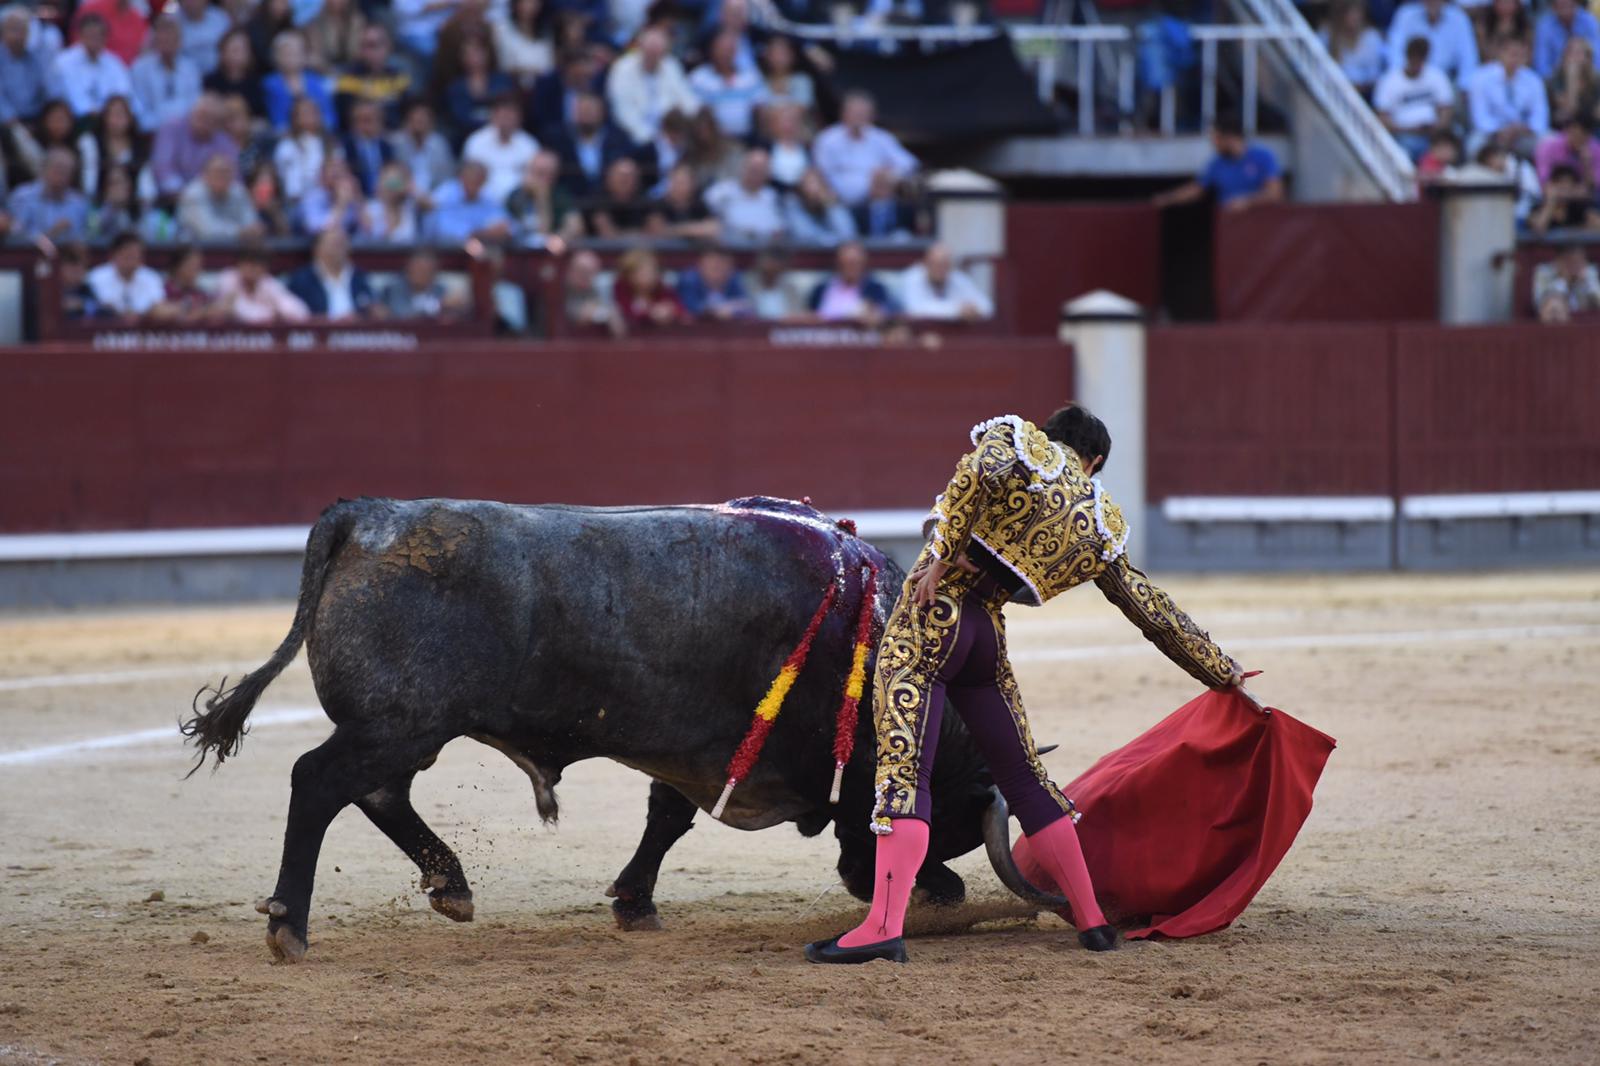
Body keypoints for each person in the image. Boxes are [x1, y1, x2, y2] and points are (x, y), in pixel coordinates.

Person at [804, 404, 1246, 964]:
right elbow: (1150, 609)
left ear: (1054, 436)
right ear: (1097, 461)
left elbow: (975, 473)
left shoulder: (1022, 443)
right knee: (1027, 778)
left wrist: (939, 556)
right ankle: (1091, 921)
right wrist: (1219, 669)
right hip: (985, 636)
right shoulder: (1099, 520)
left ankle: (883, 928)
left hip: (928, 619)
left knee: (906, 770)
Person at [1151, 114, 1285, 211]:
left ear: (1229, 138)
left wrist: (1247, 202)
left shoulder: (1263, 156)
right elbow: (1197, 189)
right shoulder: (1216, 163)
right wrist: (1167, 199)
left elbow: (1275, 193)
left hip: (1260, 226)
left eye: (1216, 139)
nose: (1213, 144)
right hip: (1229, 228)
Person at [812, 91, 917, 207]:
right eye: (855, 113)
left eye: (862, 113)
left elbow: (909, 163)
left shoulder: (881, 138)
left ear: (871, 116)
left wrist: (889, 174)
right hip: (838, 203)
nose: (858, 118)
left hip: (875, 202)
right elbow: (820, 172)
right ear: (844, 113)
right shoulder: (828, 139)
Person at [605, 26, 700, 146]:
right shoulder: (622, 68)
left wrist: (696, 117)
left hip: (671, 131)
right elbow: (623, 112)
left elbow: (687, 98)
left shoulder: (671, 65)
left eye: (658, 53)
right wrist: (652, 138)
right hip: (635, 136)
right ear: (641, 48)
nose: (653, 56)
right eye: (650, 52)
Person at [1374, 36, 1457, 160]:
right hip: (1403, 134)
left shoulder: (1436, 76)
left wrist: (1438, 128)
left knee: (1452, 140)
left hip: (1433, 133)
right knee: (1407, 148)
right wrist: (1410, 129)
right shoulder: (1390, 80)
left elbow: (1446, 108)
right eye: (1414, 57)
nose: (1417, 61)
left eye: (1421, 57)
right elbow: (1383, 118)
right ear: (1407, 56)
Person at [1467, 35, 1550, 156]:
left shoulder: (1534, 80)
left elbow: (1540, 116)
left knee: (1548, 142)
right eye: (1512, 54)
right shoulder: (1481, 78)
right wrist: (1499, 131)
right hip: (1492, 134)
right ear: (1500, 53)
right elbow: (1480, 116)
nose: (1516, 59)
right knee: (1474, 144)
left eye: (1521, 55)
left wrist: (1524, 129)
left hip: (1523, 134)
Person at [547, 91, 634, 198]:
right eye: (582, 110)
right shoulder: (557, 140)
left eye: (590, 110)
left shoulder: (619, 139)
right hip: (570, 201)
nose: (586, 115)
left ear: (602, 112)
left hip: (608, 205)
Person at [151, 94, 237, 199]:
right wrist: (187, 193)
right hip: (173, 198)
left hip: (215, 198)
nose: (204, 121)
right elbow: (163, 169)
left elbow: (235, 178)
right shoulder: (172, 129)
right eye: (201, 115)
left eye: (210, 118)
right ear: (192, 113)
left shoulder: (224, 142)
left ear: (218, 123)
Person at [689, 29, 768, 140]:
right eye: (722, 49)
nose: (726, 53)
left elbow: (760, 107)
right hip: (714, 141)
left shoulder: (751, 76)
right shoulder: (699, 78)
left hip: (746, 138)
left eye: (730, 49)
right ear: (712, 49)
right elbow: (698, 113)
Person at [130, 15, 202, 133]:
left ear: (179, 41)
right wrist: (162, 126)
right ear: (155, 40)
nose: (167, 41)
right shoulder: (140, 69)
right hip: (152, 131)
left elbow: (195, 103)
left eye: (171, 37)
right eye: (163, 37)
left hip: (187, 132)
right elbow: (139, 107)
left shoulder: (190, 68)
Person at [51, 13, 132, 118]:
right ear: (80, 35)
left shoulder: (115, 64)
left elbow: (123, 94)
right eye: (90, 35)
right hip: (73, 120)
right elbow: (58, 98)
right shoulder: (63, 63)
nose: (94, 40)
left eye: (98, 35)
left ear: (106, 37)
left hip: (107, 122)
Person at [287, 227, 378, 319]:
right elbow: (296, 316)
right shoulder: (302, 280)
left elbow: (373, 307)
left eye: (342, 243)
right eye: (334, 244)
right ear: (317, 249)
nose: (339, 249)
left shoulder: (359, 275)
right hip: (320, 332)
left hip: (359, 332)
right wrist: (336, 321)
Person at [463, 93, 540, 202]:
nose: (506, 120)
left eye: (511, 115)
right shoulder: (476, 142)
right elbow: (469, 177)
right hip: (483, 199)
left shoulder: (529, 144)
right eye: (503, 115)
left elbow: (533, 179)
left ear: (519, 118)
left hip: (519, 201)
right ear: (493, 116)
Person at [332, 24, 411, 129]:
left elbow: (407, 115)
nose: (368, 51)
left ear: (388, 47)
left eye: (373, 45)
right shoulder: (348, 79)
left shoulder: (399, 78)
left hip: (393, 136)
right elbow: (345, 119)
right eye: (364, 46)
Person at [1385, 0, 1479, 86]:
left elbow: (1468, 59)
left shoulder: (1459, 18)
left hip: (1448, 81)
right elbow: (1395, 54)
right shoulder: (1405, 15)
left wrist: (1465, 86)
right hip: (1412, 79)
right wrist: (1403, 81)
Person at [262, 30, 337, 134]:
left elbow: (330, 118)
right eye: (287, 53)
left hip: (319, 136)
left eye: (296, 52)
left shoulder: (317, 82)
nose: (291, 57)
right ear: (276, 56)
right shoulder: (269, 84)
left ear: (304, 55)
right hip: (285, 138)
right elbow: (275, 120)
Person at [704, 147, 785, 243]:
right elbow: (706, 220)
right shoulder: (720, 193)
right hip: (730, 250)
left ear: (768, 173)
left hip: (764, 251)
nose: (755, 175)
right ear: (743, 167)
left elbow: (779, 230)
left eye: (760, 170)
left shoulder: (773, 197)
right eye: (753, 169)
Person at [7, 147, 89, 240]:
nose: (61, 176)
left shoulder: (79, 203)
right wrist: (51, 234)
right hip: (30, 253)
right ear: (44, 169)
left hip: (67, 254)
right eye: (58, 169)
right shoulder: (22, 197)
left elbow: (86, 238)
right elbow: (14, 236)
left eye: (66, 171)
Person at [214, 243, 309, 323]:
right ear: (239, 264)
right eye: (249, 262)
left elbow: (301, 312)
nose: (254, 268)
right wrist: (272, 312)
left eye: (259, 264)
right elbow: (241, 311)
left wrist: (279, 310)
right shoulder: (227, 279)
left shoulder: (268, 283)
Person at [424, 158, 512, 245]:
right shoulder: (446, 193)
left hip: (482, 248)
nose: (474, 185)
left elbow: (505, 226)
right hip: (446, 250)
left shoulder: (489, 196)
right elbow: (444, 232)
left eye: (478, 181)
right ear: (461, 178)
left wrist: (499, 230)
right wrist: (479, 234)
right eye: (471, 180)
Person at [807, 239, 895, 324]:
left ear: (864, 263)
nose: (851, 268)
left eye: (855, 263)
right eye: (847, 263)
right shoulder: (821, 289)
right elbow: (809, 317)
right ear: (838, 262)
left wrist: (874, 315)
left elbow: (886, 318)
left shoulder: (875, 290)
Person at [177, 153, 262, 240]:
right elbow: (207, 230)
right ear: (205, 175)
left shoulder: (238, 191)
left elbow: (252, 224)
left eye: (226, 172)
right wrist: (240, 232)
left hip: (236, 247)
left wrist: (251, 230)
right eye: (218, 172)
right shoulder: (193, 193)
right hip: (197, 248)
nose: (222, 176)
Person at [900, 243, 992, 320]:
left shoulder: (957, 277)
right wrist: (957, 310)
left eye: (945, 265)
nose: (940, 269)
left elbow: (987, 306)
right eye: (935, 264)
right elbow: (915, 310)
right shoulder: (913, 277)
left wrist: (974, 310)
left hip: (956, 335)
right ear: (925, 263)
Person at [444, 33, 512, 137]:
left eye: (478, 51)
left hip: (503, 134)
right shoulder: (455, 88)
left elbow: (509, 109)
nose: (474, 57)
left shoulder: (502, 81)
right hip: (467, 137)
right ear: (461, 58)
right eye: (468, 53)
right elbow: (460, 118)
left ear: (487, 53)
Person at [77, 94, 144, 200]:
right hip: (97, 201)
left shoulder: (140, 145)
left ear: (130, 118)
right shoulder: (90, 142)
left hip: (132, 204)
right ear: (104, 117)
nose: (117, 120)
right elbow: (89, 177)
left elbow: (144, 179)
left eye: (121, 114)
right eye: (112, 114)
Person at [85, 230, 164, 319]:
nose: (132, 260)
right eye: (128, 255)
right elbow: (98, 308)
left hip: (144, 330)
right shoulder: (95, 277)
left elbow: (158, 307)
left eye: (136, 255)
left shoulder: (152, 278)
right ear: (113, 255)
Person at [505, 149, 581, 241]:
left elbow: (575, 225)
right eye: (540, 173)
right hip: (520, 249)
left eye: (550, 174)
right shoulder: (517, 196)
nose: (546, 178)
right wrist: (540, 196)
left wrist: (559, 238)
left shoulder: (560, 194)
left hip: (551, 249)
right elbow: (539, 232)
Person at [389, 99, 457, 195]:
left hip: (434, 198)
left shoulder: (440, 145)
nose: (418, 126)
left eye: (422, 122)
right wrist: (407, 189)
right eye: (415, 121)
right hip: (402, 197)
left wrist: (434, 198)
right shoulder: (394, 144)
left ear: (431, 124)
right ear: (407, 123)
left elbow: (448, 180)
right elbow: (388, 181)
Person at [273, 95, 332, 202]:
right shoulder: (287, 146)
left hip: (330, 198)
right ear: (295, 118)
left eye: (314, 111)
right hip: (300, 201)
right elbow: (291, 188)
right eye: (306, 112)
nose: (312, 115)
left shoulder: (330, 143)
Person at [613, 246, 688, 329]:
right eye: (641, 273)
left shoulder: (662, 287)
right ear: (629, 275)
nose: (648, 277)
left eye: (651, 272)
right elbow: (626, 314)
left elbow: (683, 313)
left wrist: (671, 310)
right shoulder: (621, 288)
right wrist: (650, 313)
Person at [0, 5, 51, 126]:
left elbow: (45, 90)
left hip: (34, 118)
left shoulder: (35, 59)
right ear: (2, 33)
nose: (18, 35)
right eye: (13, 29)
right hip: (7, 122)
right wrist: (12, 119)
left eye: (22, 30)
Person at [1321, 0, 1386, 94]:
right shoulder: (1327, 35)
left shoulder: (1371, 36)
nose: (1355, 18)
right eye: (1350, 13)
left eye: (1358, 13)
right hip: (1335, 91)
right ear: (1341, 15)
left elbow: (1374, 73)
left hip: (1365, 92)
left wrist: (1361, 86)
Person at [645, 160, 719, 240]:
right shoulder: (657, 204)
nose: (677, 186)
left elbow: (713, 228)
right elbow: (657, 230)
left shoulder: (698, 204)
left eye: (682, 183)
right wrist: (696, 229)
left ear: (692, 185)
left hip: (693, 251)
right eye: (674, 181)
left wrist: (675, 230)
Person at [783, 166, 854, 246]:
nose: (814, 188)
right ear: (800, 187)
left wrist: (831, 205)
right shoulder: (792, 203)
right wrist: (835, 240)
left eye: (818, 183)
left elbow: (847, 235)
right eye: (809, 183)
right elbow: (806, 237)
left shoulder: (831, 203)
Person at [203, 30, 266, 119]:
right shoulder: (210, 81)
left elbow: (259, 115)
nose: (235, 55)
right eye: (232, 50)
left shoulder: (257, 84)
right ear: (222, 52)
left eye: (240, 50)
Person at [385, 248, 467, 317]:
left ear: (433, 274)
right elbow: (402, 313)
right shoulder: (395, 289)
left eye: (424, 270)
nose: (418, 273)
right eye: (416, 269)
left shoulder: (440, 290)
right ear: (408, 269)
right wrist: (439, 306)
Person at [296, 154, 364, 235]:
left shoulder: (348, 195)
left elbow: (368, 230)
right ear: (322, 175)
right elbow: (316, 228)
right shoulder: (312, 196)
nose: (338, 171)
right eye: (333, 168)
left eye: (342, 169)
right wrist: (341, 204)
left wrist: (358, 198)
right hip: (313, 243)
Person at [585, 155, 651, 237]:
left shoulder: (645, 200)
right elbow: (609, 235)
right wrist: (637, 234)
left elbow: (656, 232)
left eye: (631, 177)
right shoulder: (598, 200)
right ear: (609, 178)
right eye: (621, 177)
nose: (626, 181)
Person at [677, 247, 752, 319]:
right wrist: (716, 311)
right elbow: (690, 308)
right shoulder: (689, 280)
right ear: (701, 265)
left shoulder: (734, 279)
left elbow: (747, 306)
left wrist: (730, 310)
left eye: (722, 265)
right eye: (713, 266)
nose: (718, 269)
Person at [492, 0, 554, 86]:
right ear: (515, 4)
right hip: (512, 89)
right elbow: (503, 67)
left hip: (544, 89)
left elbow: (549, 67)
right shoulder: (502, 29)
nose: (530, 6)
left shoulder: (547, 33)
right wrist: (532, 71)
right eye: (525, 2)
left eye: (534, 2)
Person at [341, 99, 394, 197]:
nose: (366, 126)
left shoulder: (387, 146)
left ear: (380, 121)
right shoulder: (345, 146)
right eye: (362, 120)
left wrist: (388, 186)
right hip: (356, 200)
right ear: (353, 123)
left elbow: (397, 179)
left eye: (370, 120)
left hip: (385, 198)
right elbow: (342, 178)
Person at [1533, 0, 1600, 80]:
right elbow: (1541, 64)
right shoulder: (1544, 26)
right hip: (1557, 78)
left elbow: (1597, 55)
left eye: (1568, 3)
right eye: (1561, 4)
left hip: (1588, 77)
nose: (1565, 7)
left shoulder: (1589, 21)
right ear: (1553, 7)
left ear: (1576, 3)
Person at [562, 247, 622, 335]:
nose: (586, 276)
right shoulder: (559, 292)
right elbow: (579, 318)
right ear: (570, 271)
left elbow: (619, 331)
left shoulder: (602, 290)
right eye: (582, 271)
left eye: (591, 272)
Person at [1534, 242, 1600, 320]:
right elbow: (1540, 306)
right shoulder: (1544, 273)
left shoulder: (1589, 272)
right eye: (1571, 262)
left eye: (1579, 261)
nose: (1575, 266)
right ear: (1559, 261)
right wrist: (1564, 281)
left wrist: (1587, 283)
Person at [70, 0, 146, 66]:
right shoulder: (92, 9)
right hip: (83, 66)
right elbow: (77, 45)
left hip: (122, 73)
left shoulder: (139, 20)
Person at [852, 166, 920, 239]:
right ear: (871, 185)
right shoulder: (858, 211)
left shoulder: (906, 210)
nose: (881, 188)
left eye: (885, 184)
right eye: (878, 184)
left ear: (893, 186)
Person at [1529, 163, 1600, 233]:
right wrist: (1551, 202)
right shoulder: (1537, 208)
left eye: (1569, 183)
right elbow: (1539, 228)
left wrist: (1576, 230)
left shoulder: (1578, 209)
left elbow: (1597, 224)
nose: (1565, 187)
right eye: (1560, 183)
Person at [1547, 36, 1600, 127]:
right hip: (1564, 129)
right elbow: (1570, 111)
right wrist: (1571, 78)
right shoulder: (1555, 80)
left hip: (1592, 129)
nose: (1573, 57)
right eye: (1570, 53)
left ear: (1588, 58)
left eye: (1578, 53)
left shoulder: (1596, 79)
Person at [361, 161, 419, 242]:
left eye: (395, 181)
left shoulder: (409, 205)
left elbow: (431, 205)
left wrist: (407, 189)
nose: (391, 186)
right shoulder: (370, 208)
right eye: (387, 180)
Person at [1535, 114, 1600, 186]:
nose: (1577, 139)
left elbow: (1595, 186)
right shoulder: (1548, 147)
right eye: (1574, 134)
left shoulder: (1596, 149)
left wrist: (1587, 165)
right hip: (1554, 190)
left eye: (1582, 136)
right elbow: (1544, 178)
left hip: (1583, 194)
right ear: (1568, 129)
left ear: (1589, 136)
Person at [305, 0, 367, 74]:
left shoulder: (357, 21)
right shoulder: (315, 24)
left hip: (354, 69)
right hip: (325, 70)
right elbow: (315, 54)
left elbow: (359, 50)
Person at [175, 0, 231, 75]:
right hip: (183, 77)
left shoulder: (221, 19)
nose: (191, 2)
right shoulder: (173, 21)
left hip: (219, 75)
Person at [158, 243, 213, 321]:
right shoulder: (161, 291)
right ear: (178, 266)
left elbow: (214, 309)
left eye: (198, 265)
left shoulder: (200, 293)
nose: (197, 270)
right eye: (192, 264)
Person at [760, 35, 813, 111]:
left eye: (782, 53)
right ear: (766, 55)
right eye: (774, 53)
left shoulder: (801, 80)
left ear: (792, 56)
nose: (778, 58)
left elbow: (800, 111)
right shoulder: (758, 80)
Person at [764, 101, 810, 189]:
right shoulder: (765, 146)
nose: (788, 125)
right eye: (784, 120)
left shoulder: (807, 147)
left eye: (792, 120)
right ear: (774, 123)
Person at [746, 249, 801, 319]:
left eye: (774, 264)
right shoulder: (748, 287)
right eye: (767, 263)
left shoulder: (791, 290)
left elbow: (798, 315)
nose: (770, 267)